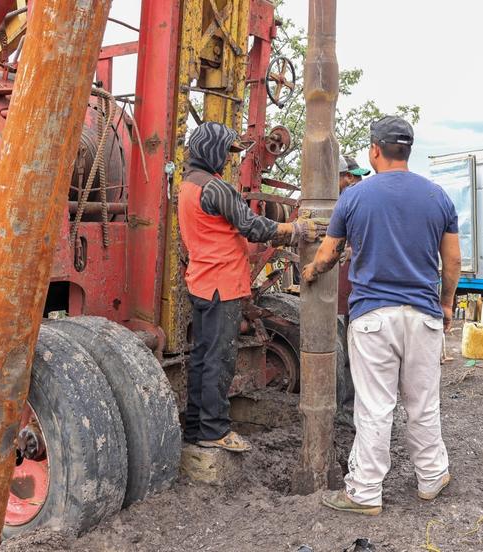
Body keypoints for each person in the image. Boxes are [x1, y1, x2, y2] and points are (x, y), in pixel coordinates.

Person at [302, 116, 462, 514]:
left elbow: (329, 252)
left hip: (373, 318)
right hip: (424, 316)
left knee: (375, 407)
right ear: (407, 151)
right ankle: (430, 477)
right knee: (422, 402)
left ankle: (365, 493)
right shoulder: (438, 196)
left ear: (375, 150)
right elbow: (454, 260)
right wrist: (445, 303)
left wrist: (311, 271)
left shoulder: (355, 196)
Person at [179, 122, 321, 452]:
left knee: (202, 358)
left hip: (201, 282)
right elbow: (252, 227)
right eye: (227, 152)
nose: (229, 160)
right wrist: (294, 229)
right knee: (219, 360)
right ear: (210, 150)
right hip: (221, 286)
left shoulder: (189, 185)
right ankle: (214, 431)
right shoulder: (216, 189)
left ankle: (196, 428)